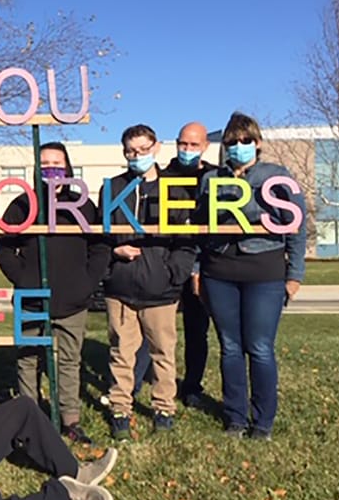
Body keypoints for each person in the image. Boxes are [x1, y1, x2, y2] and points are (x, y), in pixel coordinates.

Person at [197, 112, 306, 440]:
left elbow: (297, 228)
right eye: (232, 142)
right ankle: (235, 418)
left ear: (257, 143)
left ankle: (263, 423)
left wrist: (295, 274)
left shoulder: (277, 177)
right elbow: (199, 229)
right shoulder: (211, 179)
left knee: (260, 347)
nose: (239, 146)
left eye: (246, 140)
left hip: (265, 271)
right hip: (219, 271)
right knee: (230, 346)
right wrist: (196, 270)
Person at [0, 142, 110, 444]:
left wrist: (87, 282)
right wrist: (24, 279)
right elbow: (3, 249)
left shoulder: (83, 206)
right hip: (31, 299)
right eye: (44, 164)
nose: (51, 169)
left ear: (67, 167)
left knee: (69, 360)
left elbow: (100, 247)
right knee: (28, 358)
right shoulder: (22, 205)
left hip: (73, 300)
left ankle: (70, 419)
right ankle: (28, 417)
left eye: (57, 164)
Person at [100, 124, 196, 440]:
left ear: (156, 147)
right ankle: (120, 409)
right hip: (121, 289)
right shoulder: (112, 188)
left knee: (163, 354)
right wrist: (114, 255)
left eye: (143, 149)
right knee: (121, 353)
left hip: (161, 290)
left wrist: (173, 274)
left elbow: (186, 241)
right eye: (131, 151)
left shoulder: (176, 190)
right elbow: (100, 236)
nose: (137, 155)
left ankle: (164, 409)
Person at [164, 121, 216, 407]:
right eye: (183, 143)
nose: (187, 149)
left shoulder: (214, 177)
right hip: (166, 263)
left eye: (194, 144)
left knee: (197, 330)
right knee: (156, 330)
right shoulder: (162, 176)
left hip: (200, 266)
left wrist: (198, 266)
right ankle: (154, 381)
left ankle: (192, 386)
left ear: (205, 146)